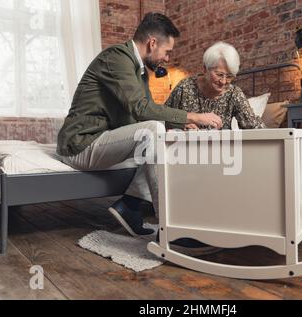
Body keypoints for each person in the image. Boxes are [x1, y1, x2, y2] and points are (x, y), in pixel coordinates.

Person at [57, 13, 223, 240]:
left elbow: (143, 113)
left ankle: (130, 206)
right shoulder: (116, 58)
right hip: (80, 144)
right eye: (167, 52)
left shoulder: (139, 69)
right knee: (154, 131)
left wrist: (179, 127)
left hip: (100, 138)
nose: (167, 58)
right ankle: (171, 228)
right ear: (152, 43)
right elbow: (142, 110)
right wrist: (195, 116)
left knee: (164, 135)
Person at [165, 42, 266, 130]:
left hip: (222, 149)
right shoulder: (185, 88)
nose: (223, 81)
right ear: (205, 69)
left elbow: (253, 126)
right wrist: (179, 125)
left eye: (230, 76)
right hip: (186, 149)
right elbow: (160, 117)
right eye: (219, 74)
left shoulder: (234, 94)